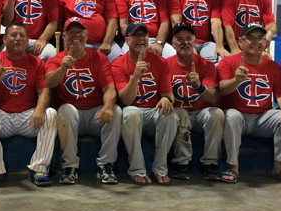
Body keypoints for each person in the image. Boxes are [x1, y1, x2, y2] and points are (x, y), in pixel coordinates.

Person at [217, 22, 281, 184]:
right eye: (250, 38)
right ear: (240, 41)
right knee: (232, 116)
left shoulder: (273, 67)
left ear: (265, 42)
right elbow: (222, 90)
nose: (256, 42)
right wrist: (236, 80)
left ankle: (279, 167)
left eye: (260, 38)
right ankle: (232, 166)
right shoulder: (228, 62)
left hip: (262, 117)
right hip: (238, 115)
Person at [0, 23, 58, 189]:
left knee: (50, 113)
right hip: (3, 118)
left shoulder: (37, 62)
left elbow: (44, 92)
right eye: (13, 35)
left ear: (27, 40)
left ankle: (39, 170)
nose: (18, 39)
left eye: (22, 36)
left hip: (27, 119)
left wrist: (39, 109)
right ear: (4, 39)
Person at [46, 17, 122, 185]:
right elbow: (49, 82)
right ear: (64, 37)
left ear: (87, 36)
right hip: (73, 119)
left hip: (96, 115)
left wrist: (108, 107)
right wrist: (62, 68)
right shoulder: (56, 60)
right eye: (71, 32)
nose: (76, 36)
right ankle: (70, 167)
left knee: (116, 110)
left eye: (79, 32)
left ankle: (106, 165)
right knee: (66, 109)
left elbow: (109, 88)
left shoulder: (98, 58)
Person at [111, 22, 178, 184]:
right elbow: (125, 100)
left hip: (152, 113)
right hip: (133, 113)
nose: (141, 39)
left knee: (170, 114)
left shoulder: (160, 62)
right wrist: (135, 76)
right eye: (136, 36)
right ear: (127, 40)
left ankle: (160, 168)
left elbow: (169, 95)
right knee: (130, 112)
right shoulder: (118, 64)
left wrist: (166, 99)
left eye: (144, 35)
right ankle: (137, 169)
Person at [165, 23, 224, 181]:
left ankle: (211, 163)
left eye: (189, 38)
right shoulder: (165, 65)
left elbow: (213, 97)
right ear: (173, 43)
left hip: (200, 114)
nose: (184, 42)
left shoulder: (206, 65)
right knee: (180, 113)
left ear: (195, 41)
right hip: (180, 113)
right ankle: (182, 163)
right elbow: (163, 96)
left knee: (217, 114)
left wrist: (198, 86)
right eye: (179, 39)